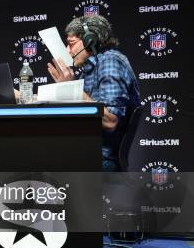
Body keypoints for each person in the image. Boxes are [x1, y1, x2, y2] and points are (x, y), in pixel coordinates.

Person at [46, 15, 139, 171]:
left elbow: (110, 121)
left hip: (101, 161)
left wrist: (71, 88)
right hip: (85, 154)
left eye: (71, 44)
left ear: (91, 41)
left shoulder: (110, 62)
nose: (68, 51)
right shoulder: (92, 67)